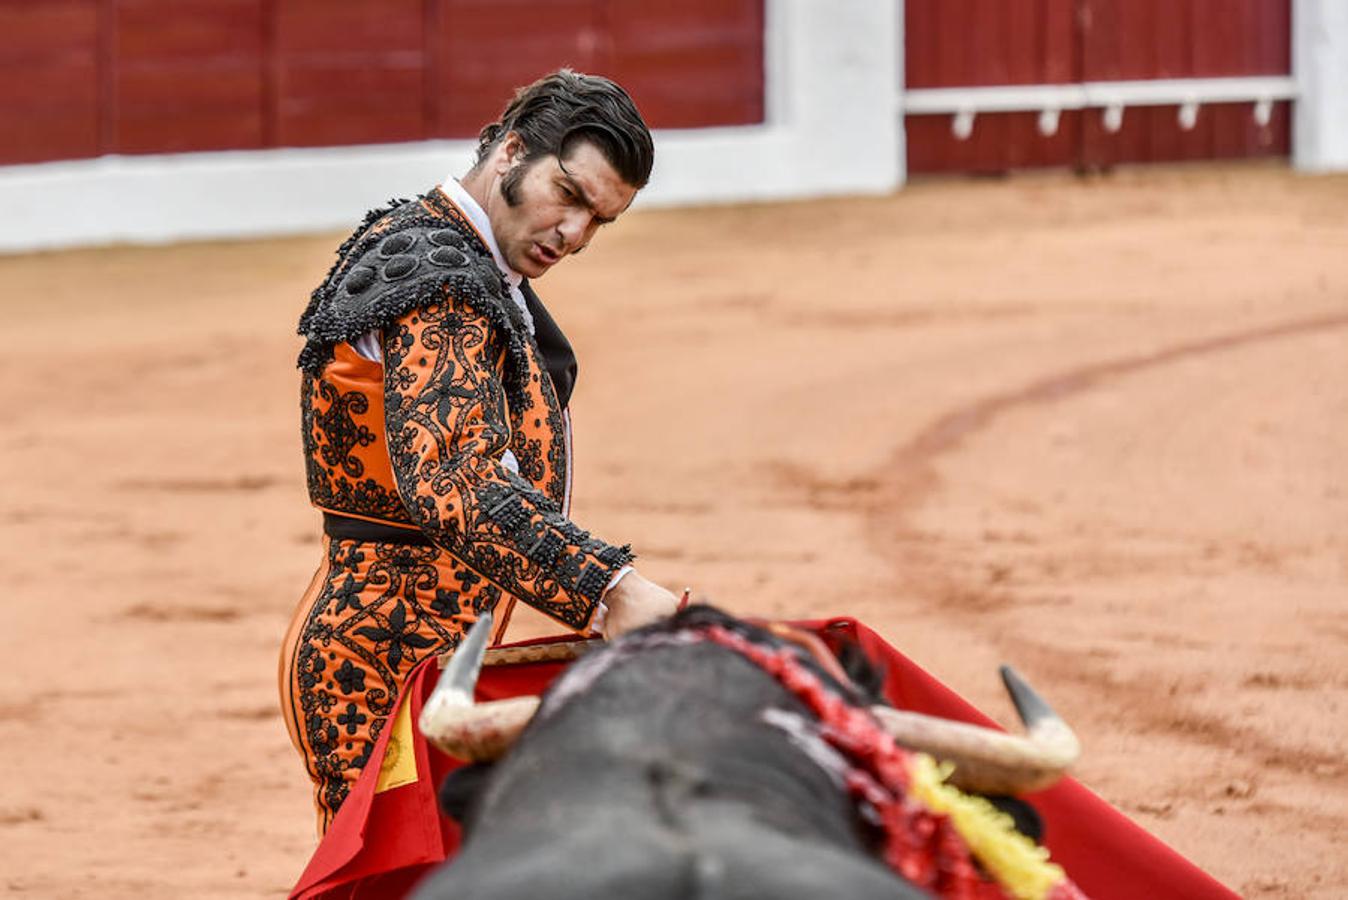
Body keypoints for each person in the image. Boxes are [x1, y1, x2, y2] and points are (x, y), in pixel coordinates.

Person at [279, 70, 680, 833]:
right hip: (381, 669)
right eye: (568, 193)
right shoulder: (444, 281)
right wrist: (611, 591)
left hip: (423, 658)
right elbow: (455, 479)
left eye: (600, 219)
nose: (574, 234)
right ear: (511, 151)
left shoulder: (452, 255)